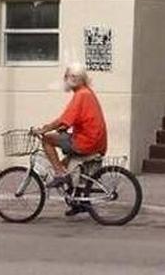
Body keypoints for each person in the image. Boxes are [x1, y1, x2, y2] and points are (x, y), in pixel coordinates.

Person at [31, 63, 108, 215]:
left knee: (47, 140)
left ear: (71, 79)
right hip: (96, 140)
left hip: (86, 141)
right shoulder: (87, 92)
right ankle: (77, 202)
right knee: (66, 162)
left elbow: (63, 119)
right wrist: (64, 127)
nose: (66, 79)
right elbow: (75, 118)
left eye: (67, 77)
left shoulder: (81, 95)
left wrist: (44, 129)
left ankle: (59, 174)